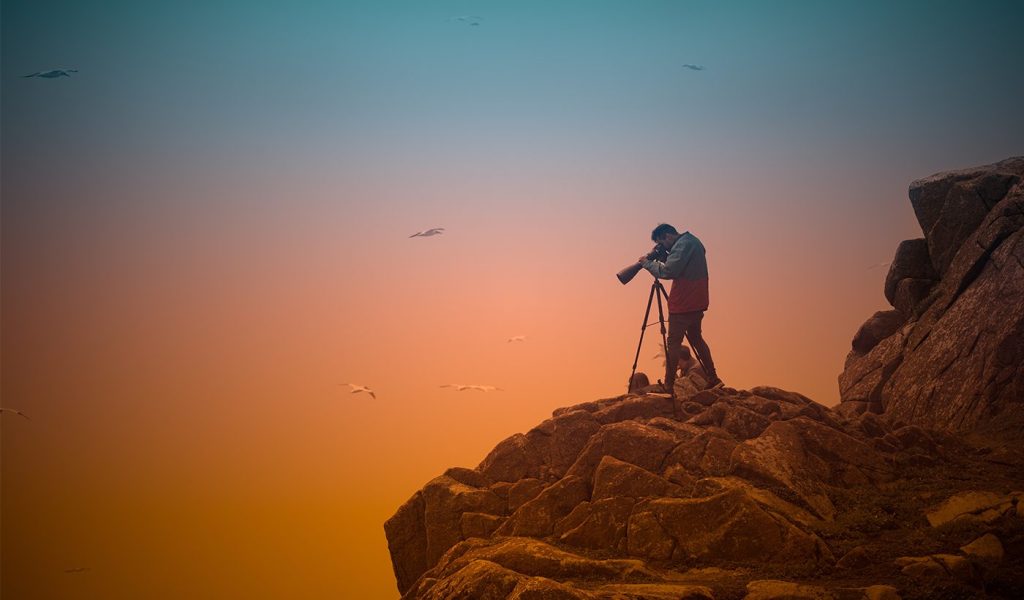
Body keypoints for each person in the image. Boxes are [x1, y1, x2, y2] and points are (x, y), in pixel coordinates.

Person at [637, 223, 722, 394]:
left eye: (662, 243)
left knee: (673, 344)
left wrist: (647, 263)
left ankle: (669, 385)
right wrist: (665, 257)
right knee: (697, 338)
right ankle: (713, 377)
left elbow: (669, 272)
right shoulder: (693, 241)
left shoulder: (682, 245)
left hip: (683, 303)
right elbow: (684, 264)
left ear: (668, 236)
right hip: (698, 300)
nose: (664, 246)